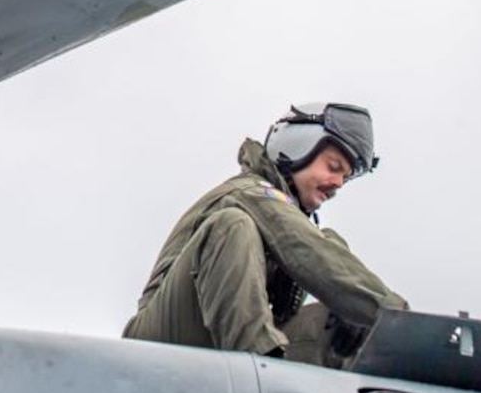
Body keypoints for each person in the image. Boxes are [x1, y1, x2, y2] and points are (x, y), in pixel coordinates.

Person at [123, 102, 407, 364]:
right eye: (333, 167)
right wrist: (401, 319)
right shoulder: (248, 192)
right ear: (297, 147)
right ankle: (258, 366)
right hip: (159, 344)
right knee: (232, 225)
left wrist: (356, 317)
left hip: (227, 345)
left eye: (344, 178)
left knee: (341, 316)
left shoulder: (292, 217)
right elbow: (305, 248)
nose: (337, 183)